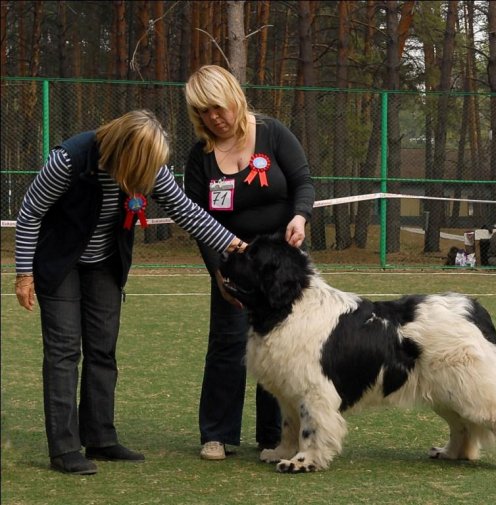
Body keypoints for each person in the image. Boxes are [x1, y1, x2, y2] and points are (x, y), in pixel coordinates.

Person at [14, 110, 248, 475]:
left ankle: (101, 438)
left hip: (106, 263)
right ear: (125, 153)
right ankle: (64, 448)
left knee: (103, 349)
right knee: (63, 352)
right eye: (145, 166)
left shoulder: (149, 167)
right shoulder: (69, 159)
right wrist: (24, 273)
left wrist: (233, 243)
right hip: (60, 263)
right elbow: (30, 212)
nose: (151, 174)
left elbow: (186, 210)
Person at [183, 65, 315, 461]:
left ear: (234, 99)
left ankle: (275, 437)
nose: (214, 118)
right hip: (232, 265)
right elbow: (195, 218)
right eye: (203, 112)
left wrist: (300, 216)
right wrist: (219, 273)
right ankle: (217, 434)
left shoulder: (273, 133)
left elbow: (303, 183)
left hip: (280, 265)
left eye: (218, 108)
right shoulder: (200, 157)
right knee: (226, 344)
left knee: (282, 348)